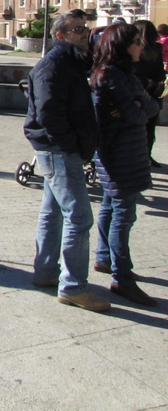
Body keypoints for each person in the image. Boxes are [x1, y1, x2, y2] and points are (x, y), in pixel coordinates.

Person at [24, 9, 109, 312]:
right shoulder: (54, 65)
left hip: (58, 150)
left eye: (85, 28)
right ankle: (73, 287)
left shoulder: (69, 63)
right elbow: (49, 114)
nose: (84, 33)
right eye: (76, 29)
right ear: (59, 36)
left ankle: (46, 272)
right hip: (59, 152)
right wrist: (72, 145)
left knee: (53, 213)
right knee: (80, 218)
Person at [90, 22, 159, 306]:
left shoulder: (123, 74)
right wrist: (139, 105)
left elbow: (153, 107)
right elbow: (137, 113)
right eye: (137, 42)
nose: (142, 47)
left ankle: (105, 259)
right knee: (123, 215)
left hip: (122, 154)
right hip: (119, 156)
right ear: (122, 45)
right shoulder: (112, 75)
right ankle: (122, 278)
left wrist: (140, 104)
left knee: (111, 207)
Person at [133, 20, 165, 168]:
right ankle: (147, 156)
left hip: (137, 91)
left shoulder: (133, 49)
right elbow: (160, 73)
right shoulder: (156, 49)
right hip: (152, 92)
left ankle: (139, 156)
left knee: (136, 126)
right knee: (150, 127)